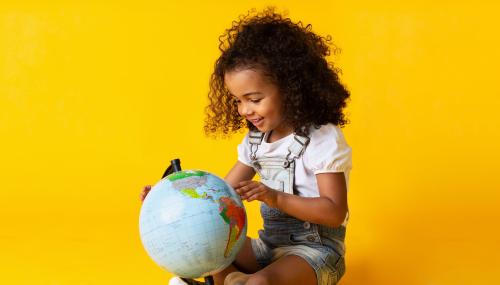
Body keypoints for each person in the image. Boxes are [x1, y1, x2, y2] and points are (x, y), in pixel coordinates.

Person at [141, 7, 352, 285]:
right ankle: (228, 279)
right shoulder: (255, 143)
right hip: (267, 250)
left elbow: (334, 212)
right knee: (205, 245)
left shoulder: (322, 139)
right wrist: (169, 197)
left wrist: (276, 197)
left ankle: (238, 280)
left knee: (259, 283)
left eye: (253, 99)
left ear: (290, 87)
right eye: (238, 100)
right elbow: (219, 197)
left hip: (314, 253)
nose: (244, 110)